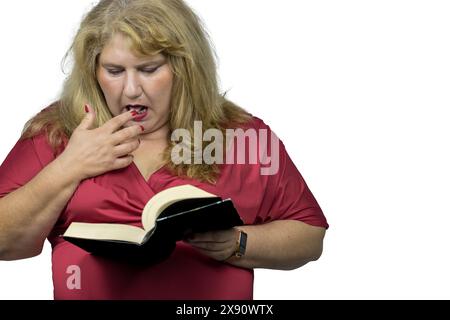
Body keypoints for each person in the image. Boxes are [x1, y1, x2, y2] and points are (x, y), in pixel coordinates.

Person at [0, 0, 328, 300]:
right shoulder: (58, 130)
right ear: (93, 71)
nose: (131, 88)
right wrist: (69, 165)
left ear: (184, 70)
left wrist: (238, 243)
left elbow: (309, 236)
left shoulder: (243, 135)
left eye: (148, 69)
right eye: (114, 71)